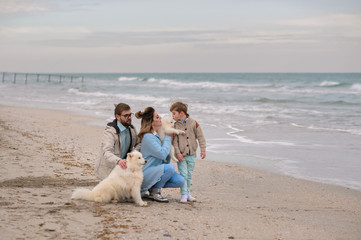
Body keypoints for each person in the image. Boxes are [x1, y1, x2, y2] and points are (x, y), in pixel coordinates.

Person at [135, 107, 185, 202]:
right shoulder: (148, 137)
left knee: (180, 181)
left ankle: (152, 186)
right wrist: (167, 137)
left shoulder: (157, 136)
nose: (160, 118)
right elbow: (162, 154)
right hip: (146, 173)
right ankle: (155, 192)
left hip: (157, 171)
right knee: (170, 168)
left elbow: (165, 158)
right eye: (157, 117)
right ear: (151, 122)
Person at [170, 102, 206, 203]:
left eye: (174, 114)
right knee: (183, 174)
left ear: (181, 113)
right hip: (181, 155)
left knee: (189, 174)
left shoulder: (194, 123)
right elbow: (174, 141)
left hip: (192, 154)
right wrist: (177, 153)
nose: (172, 116)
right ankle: (183, 194)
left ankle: (188, 192)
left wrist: (203, 149)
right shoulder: (175, 126)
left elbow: (200, 137)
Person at [94, 103, 140, 180]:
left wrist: (132, 154)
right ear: (117, 117)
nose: (129, 118)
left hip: (124, 169)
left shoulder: (132, 129)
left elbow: (139, 143)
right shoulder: (110, 132)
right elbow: (107, 152)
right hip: (108, 172)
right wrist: (119, 161)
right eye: (126, 116)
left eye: (130, 115)